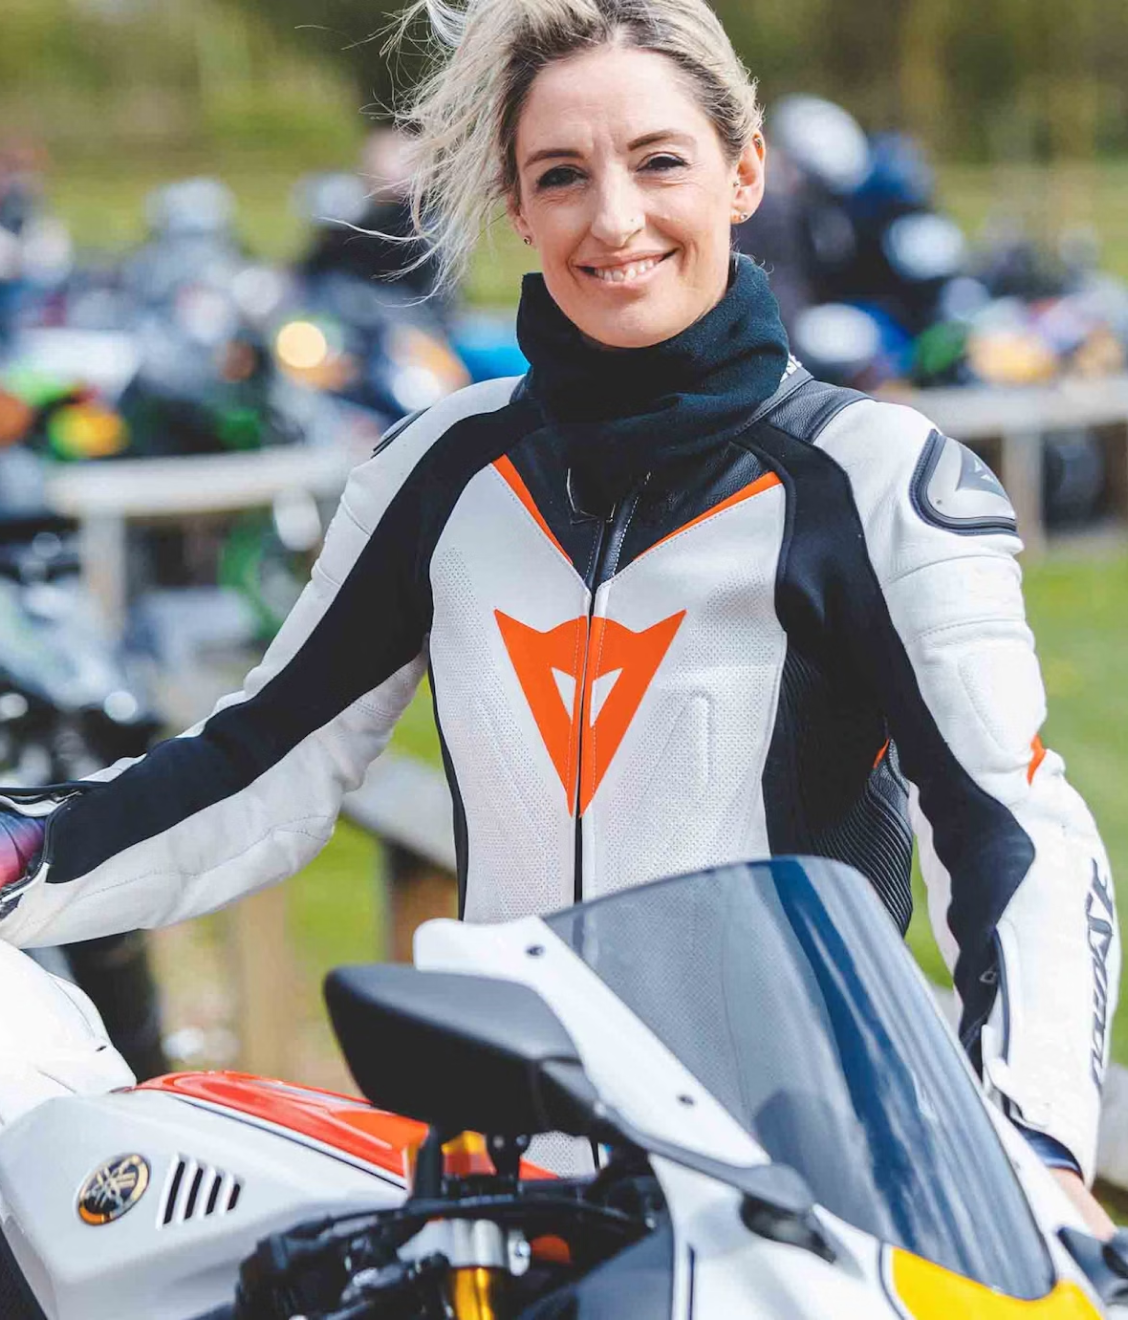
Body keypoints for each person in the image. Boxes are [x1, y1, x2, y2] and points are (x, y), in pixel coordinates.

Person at [0, 0, 1118, 1238]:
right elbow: (260, 768)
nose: (616, 219)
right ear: (517, 206)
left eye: (659, 161)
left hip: (806, 1209)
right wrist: (14, 863)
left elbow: (1014, 831)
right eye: (562, 176)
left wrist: (1031, 1144)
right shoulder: (441, 468)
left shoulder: (877, 480)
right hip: (502, 1199)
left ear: (743, 172)